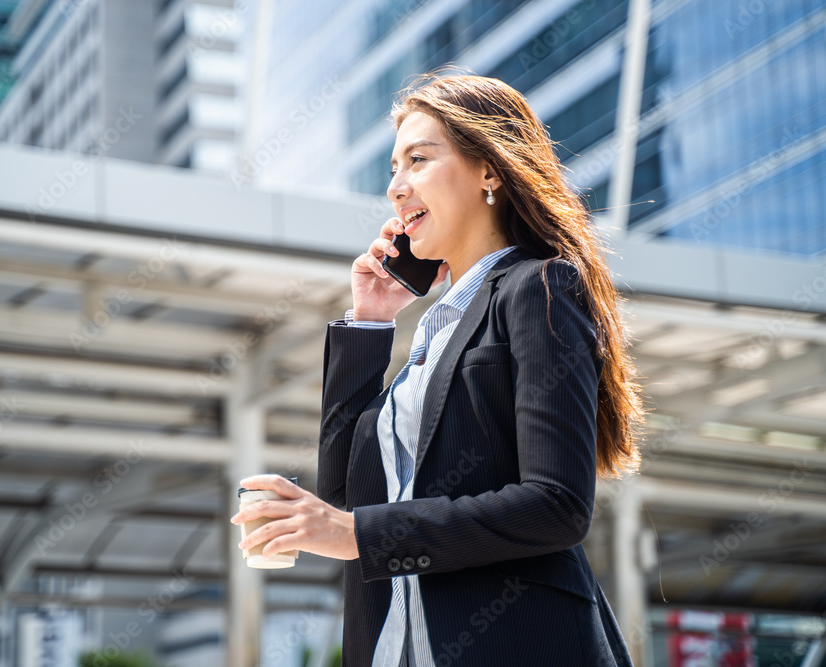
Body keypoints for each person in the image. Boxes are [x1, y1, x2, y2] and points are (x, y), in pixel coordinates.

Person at [232, 69, 645, 666]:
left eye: (418, 160)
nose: (398, 188)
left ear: (489, 170)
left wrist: (355, 534)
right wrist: (370, 323)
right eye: (394, 170)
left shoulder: (538, 286)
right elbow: (348, 499)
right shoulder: (433, 329)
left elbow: (556, 505)